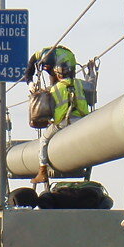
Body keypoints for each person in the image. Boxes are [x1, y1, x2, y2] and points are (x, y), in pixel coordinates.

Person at [24, 45, 89, 186]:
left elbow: (48, 106)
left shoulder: (55, 89)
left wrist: (36, 91)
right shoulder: (79, 84)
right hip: (83, 121)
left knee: (43, 140)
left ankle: (42, 172)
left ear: (57, 73)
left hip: (64, 123)